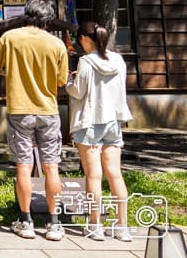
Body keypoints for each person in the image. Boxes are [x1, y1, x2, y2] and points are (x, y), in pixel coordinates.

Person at [0, 0, 69, 241]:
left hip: (19, 109)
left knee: (23, 166)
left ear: (27, 14)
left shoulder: (9, 38)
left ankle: (26, 221)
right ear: (48, 19)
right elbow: (62, 81)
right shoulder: (56, 44)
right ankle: (54, 223)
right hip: (48, 110)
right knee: (51, 166)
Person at [65, 21, 134, 242]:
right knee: (115, 174)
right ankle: (122, 226)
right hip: (113, 121)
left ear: (85, 39)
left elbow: (78, 92)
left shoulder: (85, 61)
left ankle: (95, 226)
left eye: (80, 41)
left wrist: (69, 81)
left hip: (89, 122)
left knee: (94, 176)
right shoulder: (118, 60)